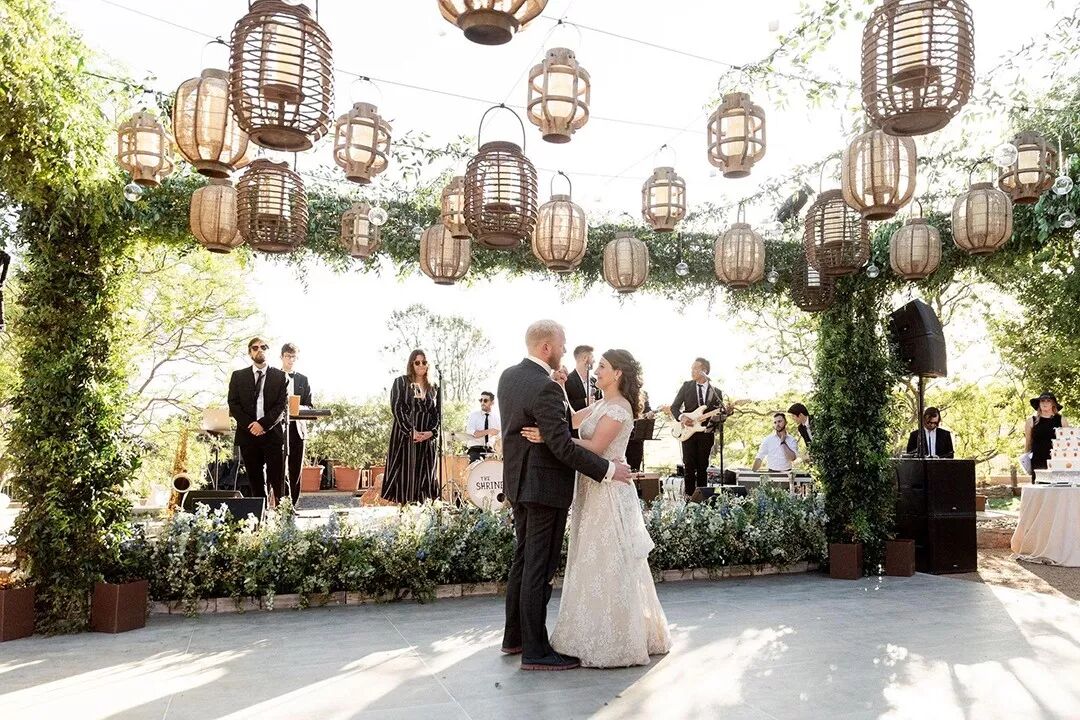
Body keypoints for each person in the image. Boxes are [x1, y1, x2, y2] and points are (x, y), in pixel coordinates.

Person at [497, 320, 631, 671]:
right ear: (547, 348)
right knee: (538, 568)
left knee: (523, 561)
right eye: (561, 344)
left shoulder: (509, 377)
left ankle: (515, 638)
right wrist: (608, 470)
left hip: (518, 484)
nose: (565, 351)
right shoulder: (546, 387)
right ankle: (536, 651)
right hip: (545, 488)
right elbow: (560, 445)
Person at [523, 349, 671, 667]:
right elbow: (571, 420)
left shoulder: (620, 407)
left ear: (617, 373)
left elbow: (596, 446)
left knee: (608, 558)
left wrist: (550, 438)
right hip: (591, 487)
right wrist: (558, 387)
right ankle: (586, 631)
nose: (597, 371)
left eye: (602, 366)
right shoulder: (601, 404)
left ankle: (617, 637)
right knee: (589, 557)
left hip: (609, 491)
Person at [228, 337, 288, 504]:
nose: (259, 349)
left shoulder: (280, 376)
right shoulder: (238, 376)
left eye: (263, 347)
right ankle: (260, 515)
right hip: (248, 435)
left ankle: (285, 514)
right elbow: (233, 404)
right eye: (255, 348)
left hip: (272, 434)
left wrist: (262, 424)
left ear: (268, 351)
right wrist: (251, 426)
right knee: (255, 479)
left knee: (278, 477)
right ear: (250, 353)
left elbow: (281, 406)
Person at [382, 349, 441, 503]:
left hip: (427, 437)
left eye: (424, 362)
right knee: (406, 474)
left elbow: (437, 413)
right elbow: (397, 408)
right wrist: (410, 430)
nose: (421, 365)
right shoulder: (401, 382)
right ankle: (405, 509)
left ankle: (424, 508)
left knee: (425, 473)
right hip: (406, 435)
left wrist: (432, 432)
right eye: (417, 362)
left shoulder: (434, 387)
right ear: (411, 364)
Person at [669, 358, 724, 497]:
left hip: (706, 433)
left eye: (695, 368)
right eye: (691, 368)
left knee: (702, 468)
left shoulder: (716, 391)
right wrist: (682, 417)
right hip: (688, 432)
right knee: (689, 467)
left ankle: (701, 500)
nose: (692, 371)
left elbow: (720, 413)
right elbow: (674, 407)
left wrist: (726, 411)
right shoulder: (686, 386)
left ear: (704, 370)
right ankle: (689, 499)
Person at [280, 342, 313, 506]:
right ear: (281, 357)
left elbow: (310, 405)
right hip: (278, 428)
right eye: (288, 356)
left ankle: (293, 506)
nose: (291, 360)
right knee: (279, 469)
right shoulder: (272, 377)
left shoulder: (303, 379)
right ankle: (280, 505)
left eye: (293, 357)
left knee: (296, 470)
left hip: (298, 429)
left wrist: (298, 407)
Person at [1026, 392, 1070, 480]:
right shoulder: (1031, 421)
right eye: (1042, 400)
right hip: (1038, 459)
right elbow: (1028, 442)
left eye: (1048, 401)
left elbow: (1067, 442)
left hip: (1057, 460)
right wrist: (1026, 460)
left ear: (1053, 404)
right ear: (1039, 403)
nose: (1045, 403)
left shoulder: (1062, 420)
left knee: (1058, 485)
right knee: (1039, 485)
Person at [465, 391, 501, 463]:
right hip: (475, 450)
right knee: (476, 468)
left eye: (485, 400)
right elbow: (475, 434)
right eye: (481, 400)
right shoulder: (473, 415)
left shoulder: (497, 418)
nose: (482, 403)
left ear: (492, 402)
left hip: (490, 451)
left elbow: (499, 438)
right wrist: (489, 431)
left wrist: (499, 453)